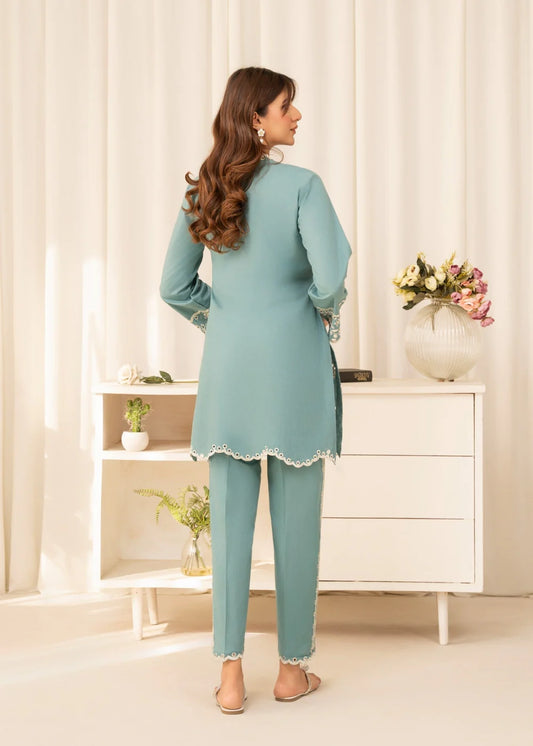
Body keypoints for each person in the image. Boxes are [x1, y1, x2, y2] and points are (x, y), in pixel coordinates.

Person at [159, 66, 352, 714]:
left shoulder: (205, 190)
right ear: (255, 118)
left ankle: (230, 677)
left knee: (229, 523)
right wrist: (317, 313)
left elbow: (174, 286)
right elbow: (331, 278)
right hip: (293, 369)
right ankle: (292, 671)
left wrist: (224, 317)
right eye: (286, 106)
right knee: (297, 523)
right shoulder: (303, 186)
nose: (296, 116)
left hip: (230, 374)